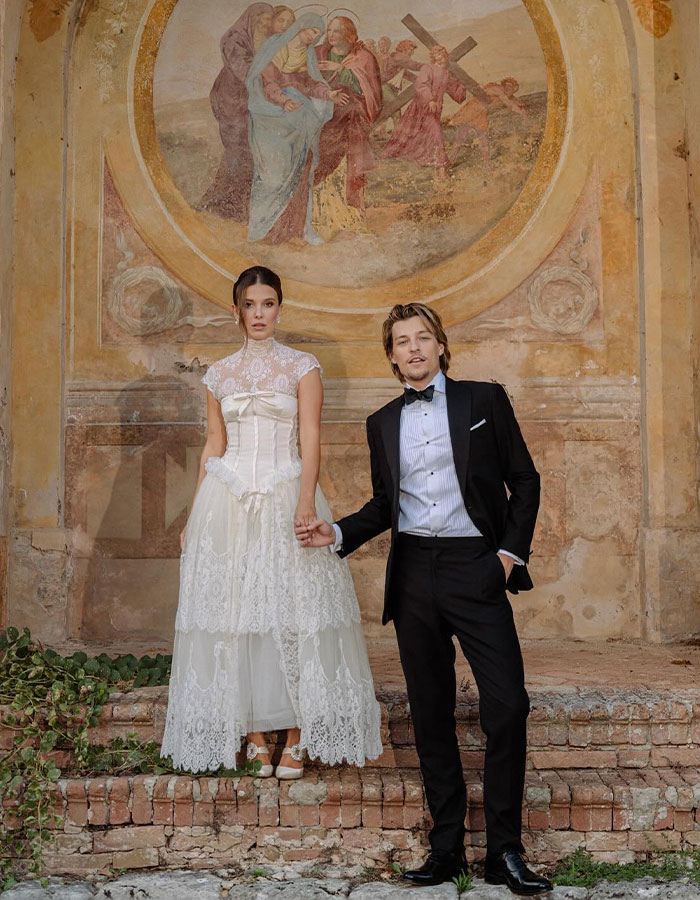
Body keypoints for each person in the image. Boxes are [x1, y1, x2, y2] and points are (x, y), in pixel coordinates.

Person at [295, 303, 553, 895]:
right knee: (430, 712)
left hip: (475, 567)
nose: (412, 348)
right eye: (401, 341)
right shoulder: (381, 421)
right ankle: (446, 851)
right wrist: (335, 533)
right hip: (413, 574)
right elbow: (385, 505)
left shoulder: (484, 401)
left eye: (422, 338)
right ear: (391, 354)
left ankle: (505, 852)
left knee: (508, 703)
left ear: (440, 346)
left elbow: (527, 481)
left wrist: (508, 557)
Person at [161, 266, 382, 779]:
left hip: (286, 493)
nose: (259, 314)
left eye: (268, 304)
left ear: (279, 308)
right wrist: (195, 514)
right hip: (227, 499)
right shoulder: (218, 374)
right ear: (236, 310)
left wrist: (305, 502)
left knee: (296, 609)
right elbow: (214, 444)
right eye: (250, 305)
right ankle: (256, 735)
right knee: (234, 612)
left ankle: (299, 735)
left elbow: (310, 439)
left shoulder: (302, 366)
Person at [246, 14, 350, 245]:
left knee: (302, 173)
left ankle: (295, 231)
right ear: (301, 27)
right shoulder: (277, 48)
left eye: (317, 35)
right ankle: (265, 231)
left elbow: (309, 83)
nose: (313, 38)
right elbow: (268, 83)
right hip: (273, 120)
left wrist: (328, 93)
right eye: (311, 32)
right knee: (275, 176)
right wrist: (283, 101)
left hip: (300, 121)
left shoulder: (306, 55)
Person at [200, 3, 274, 221]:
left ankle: (235, 205)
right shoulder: (235, 38)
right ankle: (223, 205)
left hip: (249, 101)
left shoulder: (263, 40)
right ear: (251, 19)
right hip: (231, 99)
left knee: (250, 150)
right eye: (262, 21)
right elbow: (245, 71)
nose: (266, 25)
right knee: (238, 149)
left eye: (269, 21)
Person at [315, 15, 382, 212]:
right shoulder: (319, 53)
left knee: (347, 160)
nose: (331, 35)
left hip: (350, 118)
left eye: (337, 31)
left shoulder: (363, 57)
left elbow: (369, 91)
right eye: (329, 30)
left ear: (348, 34)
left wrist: (340, 69)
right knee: (320, 156)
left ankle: (348, 210)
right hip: (322, 115)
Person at [381, 45, 466, 180]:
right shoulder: (428, 68)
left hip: (436, 110)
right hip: (422, 107)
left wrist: (463, 86)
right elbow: (420, 85)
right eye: (437, 54)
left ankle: (434, 167)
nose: (441, 57)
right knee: (436, 134)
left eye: (443, 54)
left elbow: (456, 94)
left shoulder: (447, 73)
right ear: (433, 57)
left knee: (427, 136)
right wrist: (430, 100)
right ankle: (441, 171)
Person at [449, 77, 531, 168]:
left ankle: (487, 164)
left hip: (481, 115)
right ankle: (449, 161)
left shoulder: (507, 95)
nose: (508, 88)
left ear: (514, 90)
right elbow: (509, 103)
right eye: (507, 85)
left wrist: (522, 108)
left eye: (511, 88)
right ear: (503, 85)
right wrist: (524, 115)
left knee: (484, 140)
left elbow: (515, 101)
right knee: (460, 139)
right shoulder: (498, 89)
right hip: (471, 111)